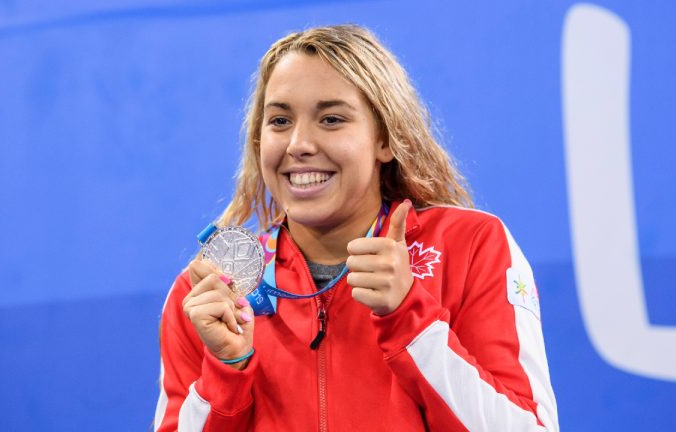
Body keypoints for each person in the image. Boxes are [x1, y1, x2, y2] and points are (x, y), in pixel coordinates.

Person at [154, 24, 558, 431]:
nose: (298, 144)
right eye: (279, 120)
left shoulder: (469, 247)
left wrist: (409, 317)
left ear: (385, 139)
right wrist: (227, 369)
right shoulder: (208, 292)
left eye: (331, 119)